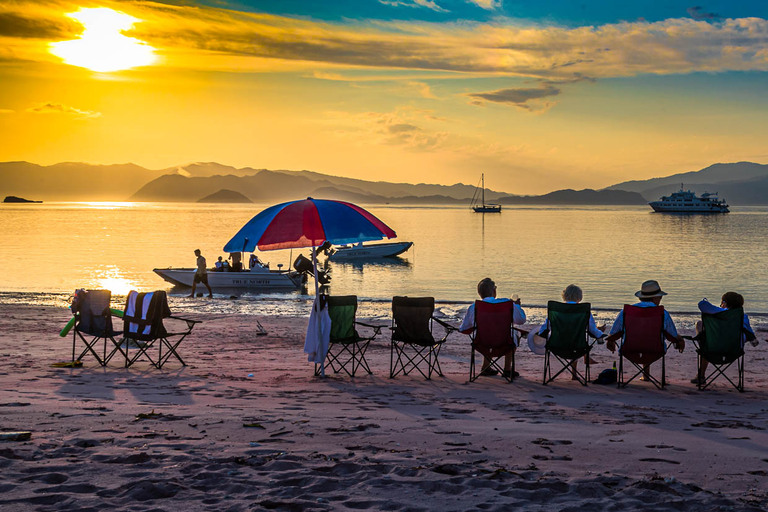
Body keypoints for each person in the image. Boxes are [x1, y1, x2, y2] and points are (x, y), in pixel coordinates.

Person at [606, 279, 684, 379]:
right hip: (656, 350)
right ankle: (646, 375)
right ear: (656, 298)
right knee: (649, 340)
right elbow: (672, 336)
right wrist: (680, 340)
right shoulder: (662, 313)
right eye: (660, 297)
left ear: (641, 298)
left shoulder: (626, 312)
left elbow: (613, 333)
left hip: (629, 349)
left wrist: (610, 341)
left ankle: (645, 375)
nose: (660, 299)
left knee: (642, 338)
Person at [528, 284, 606, 379]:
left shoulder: (556, 310)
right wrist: (601, 334)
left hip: (556, 346)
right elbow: (593, 331)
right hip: (578, 348)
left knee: (569, 337)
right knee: (576, 338)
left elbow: (544, 329)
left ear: (564, 295)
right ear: (580, 297)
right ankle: (574, 373)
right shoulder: (583, 311)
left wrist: (541, 335)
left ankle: (571, 374)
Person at [459, 277, 526, 379]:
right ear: (494, 291)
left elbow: (464, 328)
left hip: (482, 343)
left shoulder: (474, 307)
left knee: (487, 332)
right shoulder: (507, 304)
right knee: (513, 333)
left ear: (479, 293)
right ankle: (507, 369)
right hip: (505, 342)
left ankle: (486, 367)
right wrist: (517, 306)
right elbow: (521, 320)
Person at [692, 292, 757, 384]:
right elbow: (750, 335)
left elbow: (702, 305)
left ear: (725, 303)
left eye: (722, 302)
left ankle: (701, 376)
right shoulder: (742, 317)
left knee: (700, 325)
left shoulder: (718, 312)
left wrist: (717, 307)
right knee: (743, 333)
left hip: (711, 351)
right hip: (734, 351)